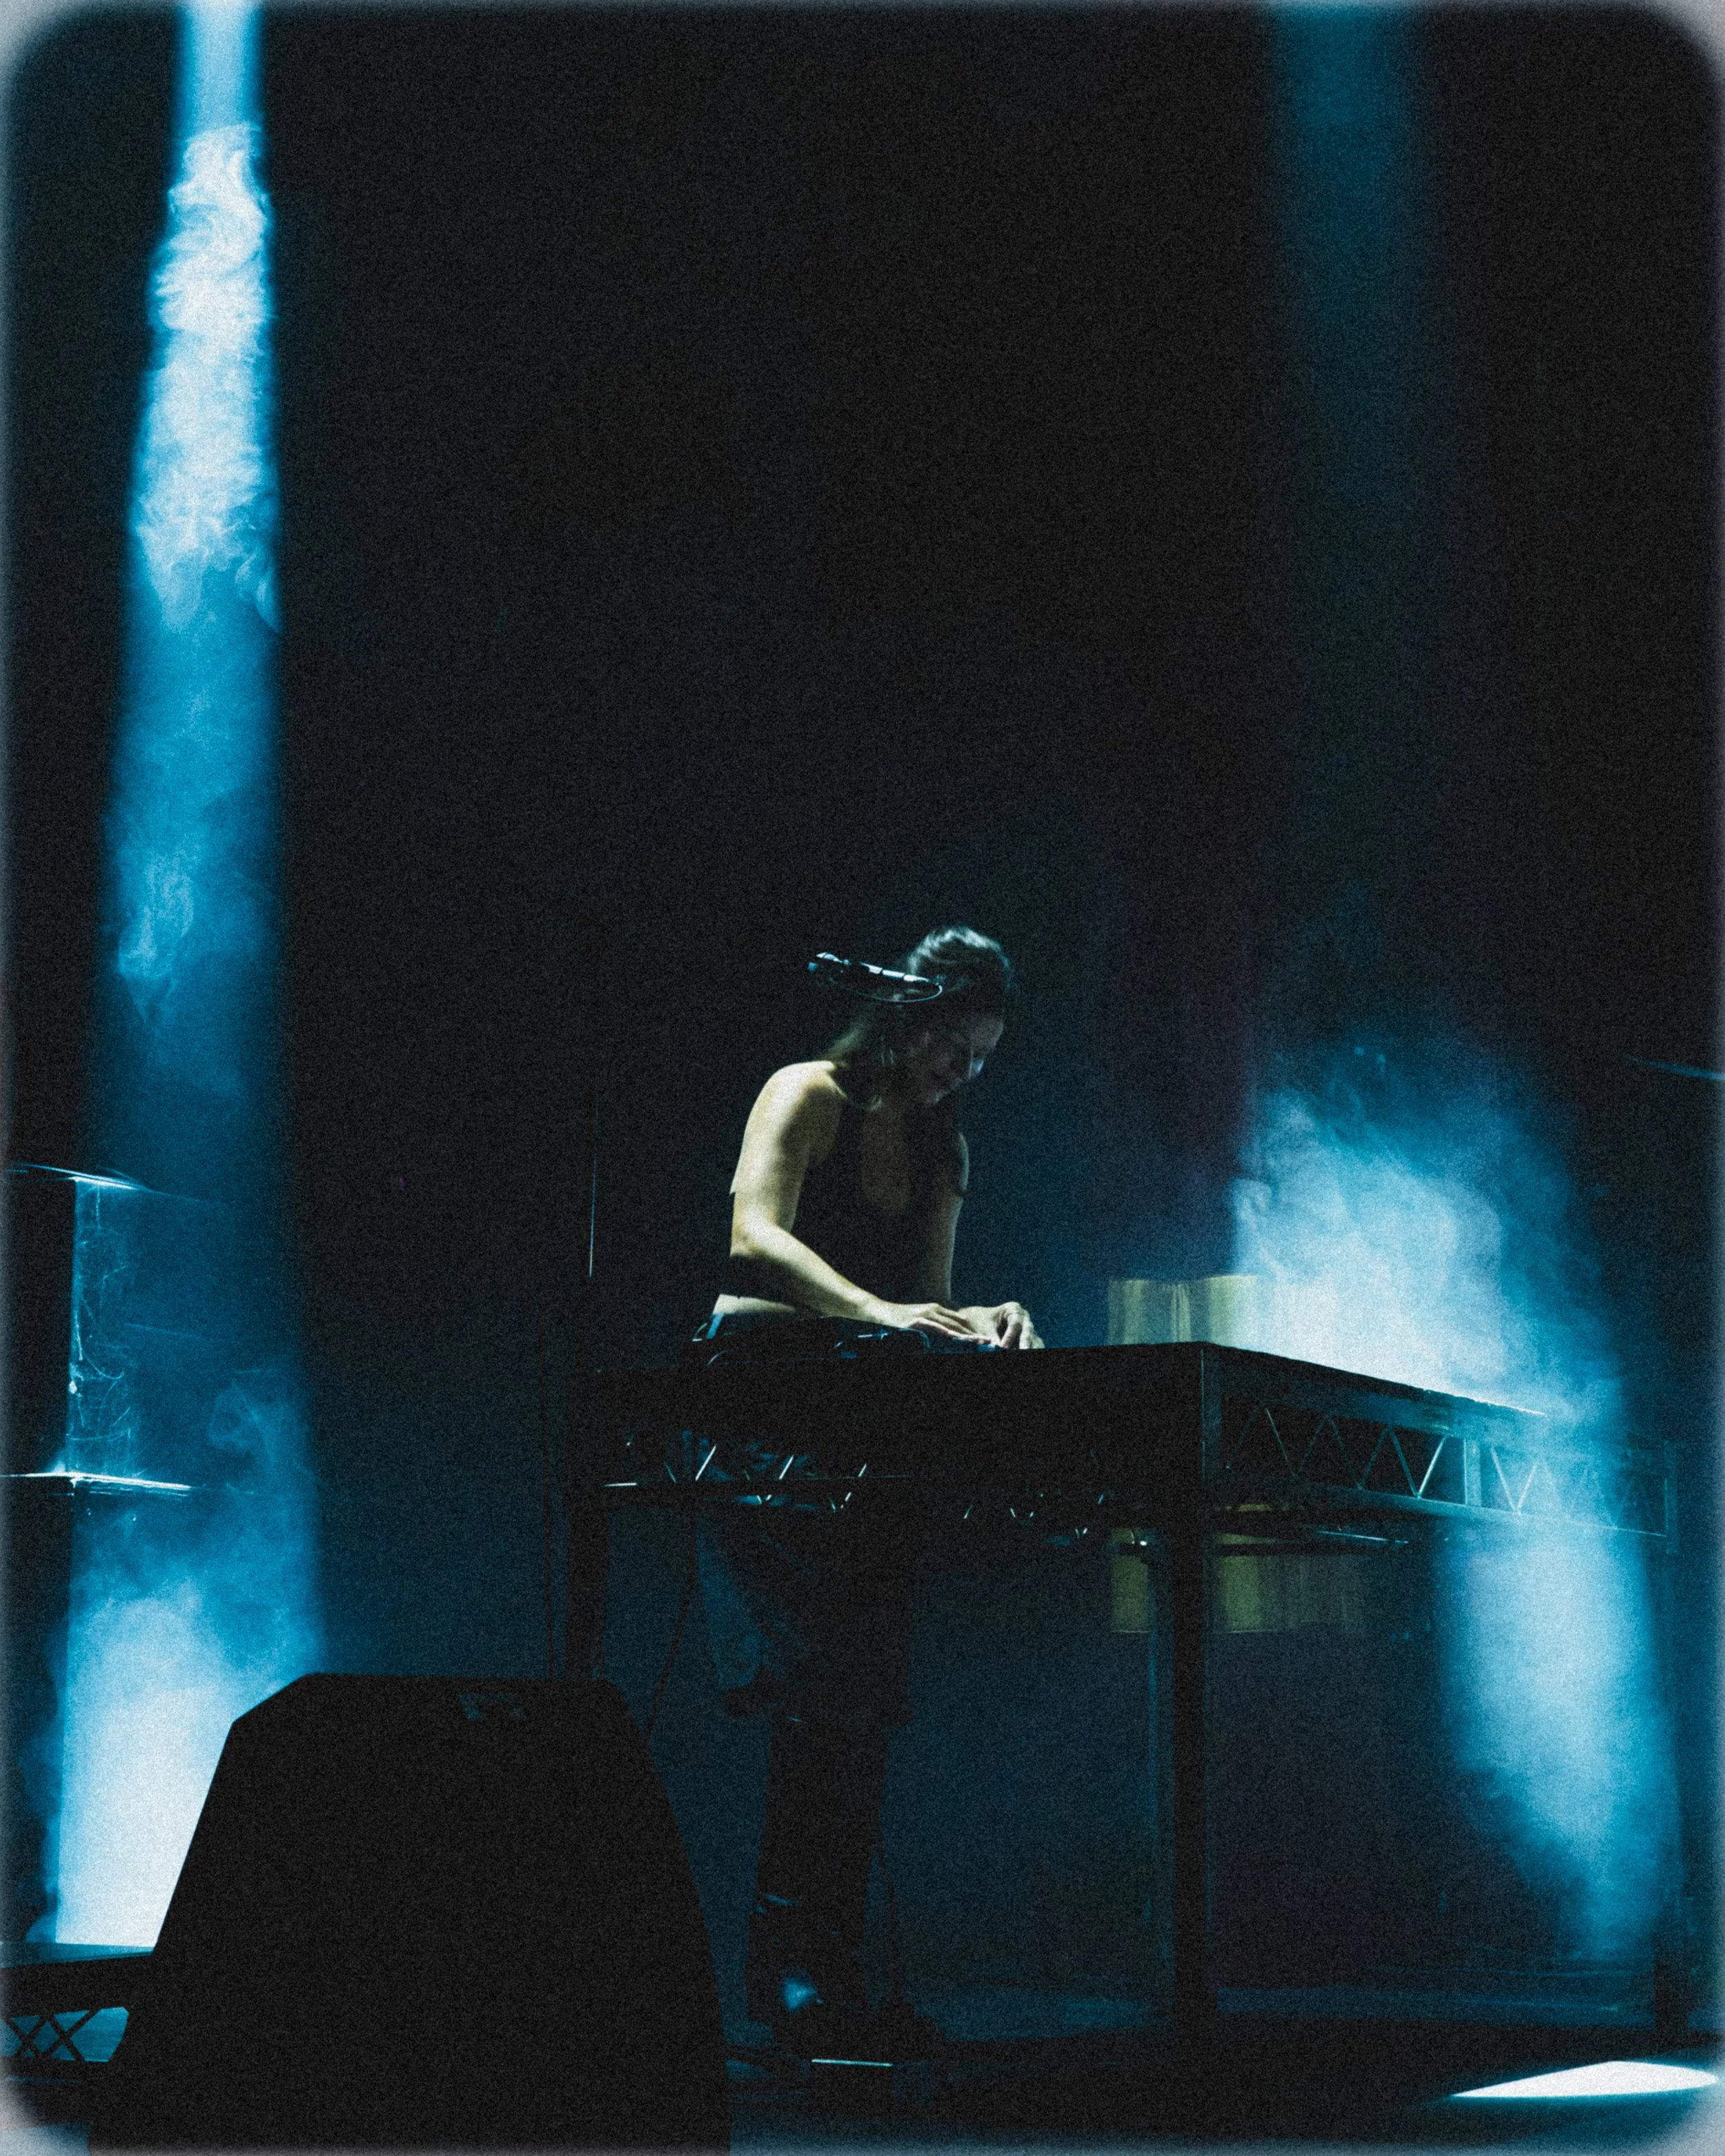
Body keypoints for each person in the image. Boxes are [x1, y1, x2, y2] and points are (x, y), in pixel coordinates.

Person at [684, 925, 1041, 2053]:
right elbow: (752, 1242)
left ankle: (823, 1973)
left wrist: (981, 1322)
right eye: (952, 1045)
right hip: (762, 1410)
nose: (960, 1073)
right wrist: (881, 1314)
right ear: (906, 1011)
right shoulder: (807, 1093)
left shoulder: (945, 1151)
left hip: (858, 1424)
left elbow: (925, 1299)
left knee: (864, 1696)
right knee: (815, 1689)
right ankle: (790, 1974)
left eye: (980, 1059)